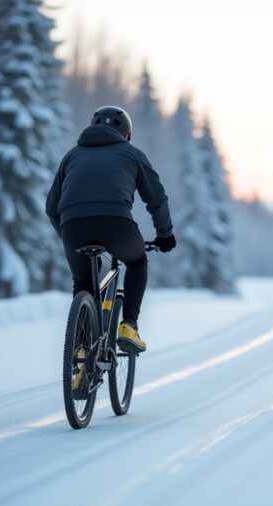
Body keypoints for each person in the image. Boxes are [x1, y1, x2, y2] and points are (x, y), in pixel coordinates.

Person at [45, 106, 176, 353]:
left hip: (73, 226)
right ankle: (129, 326)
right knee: (137, 261)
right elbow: (156, 199)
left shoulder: (72, 156)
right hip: (116, 223)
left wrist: (68, 237)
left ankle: (82, 351)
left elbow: (52, 208)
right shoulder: (132, 154)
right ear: (127, 134)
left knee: (83, 282)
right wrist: (165, 235)